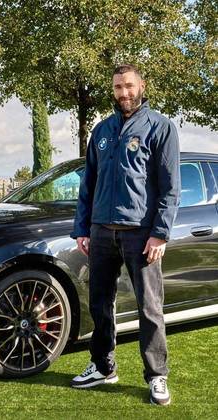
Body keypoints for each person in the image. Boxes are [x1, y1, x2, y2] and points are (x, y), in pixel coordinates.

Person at [69, 64, 181, 406]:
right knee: (100, 303)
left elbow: (170, 188)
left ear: (141, 86)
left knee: (149, 308)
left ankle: (156, 375)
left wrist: (159, 234)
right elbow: (88, 184)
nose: (123, 93)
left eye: (129, 86)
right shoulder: (102, 130)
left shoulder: (160, 128)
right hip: (102, 232)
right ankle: (103, 366)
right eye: (118, 87)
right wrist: (82, 229)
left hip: (141, 235)